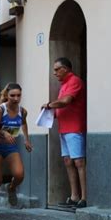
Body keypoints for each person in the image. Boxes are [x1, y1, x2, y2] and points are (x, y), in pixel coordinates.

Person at [42, 57, 87, 208]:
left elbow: (66, 101)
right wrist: (48, 114)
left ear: (65, 69)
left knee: (79, 162)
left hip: (75, 127)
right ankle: (74, 196)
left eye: (56, 69)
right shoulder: (64, 85)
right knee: (68, 162)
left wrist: (49, 105)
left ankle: (84, 197)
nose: (54, 73)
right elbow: (61, 107)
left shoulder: (74, 81)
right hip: (64, 128)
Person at [0, 83, 32, 209]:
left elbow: (23, 124)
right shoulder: (0, 110)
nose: (16, 98)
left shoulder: (22, 111)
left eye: (19, 95)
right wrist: (4, 132)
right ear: (7, 95)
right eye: (13, 95)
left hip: (10, 147)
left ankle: (11, 188)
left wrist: (26, 140)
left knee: (19, 175)